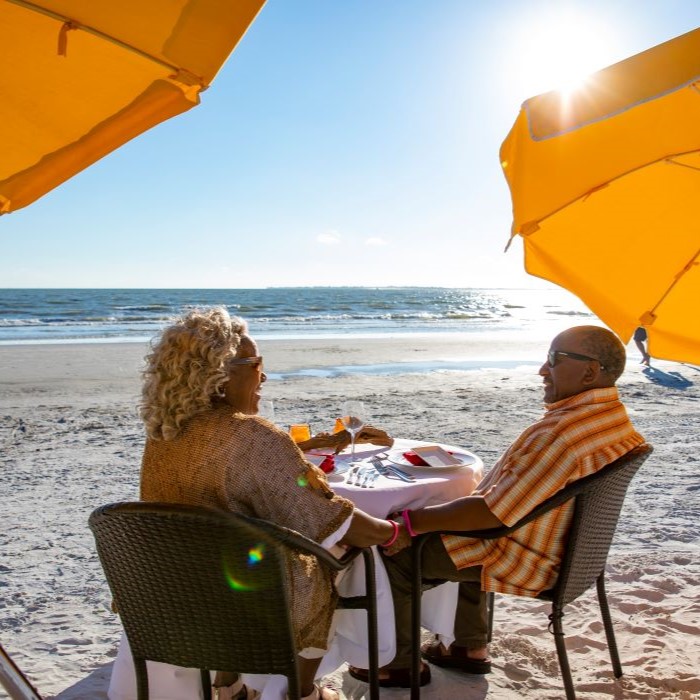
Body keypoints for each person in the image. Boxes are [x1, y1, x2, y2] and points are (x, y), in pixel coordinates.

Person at [348, 325, 646, 689]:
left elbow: (491, 514)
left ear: (590, 371)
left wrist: (406, 523)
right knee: (452, 517)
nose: (542, 370)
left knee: (392, 553)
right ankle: (467, 647)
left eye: (554, 359)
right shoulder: (611, 417)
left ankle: (397, 665)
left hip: (529, 555)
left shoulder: (560, 434)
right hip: (575, 554)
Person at [139, 307, 397, 700]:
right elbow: (333, 520)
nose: (265, 376)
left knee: (244, 547)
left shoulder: (164, 434)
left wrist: (302, 448)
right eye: (258, 364)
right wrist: (395, 529)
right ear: (221, 373)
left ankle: (230, 688)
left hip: (177, 594)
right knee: (341, 553)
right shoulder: (253, 436)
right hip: (251, 603)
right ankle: (302, 691)